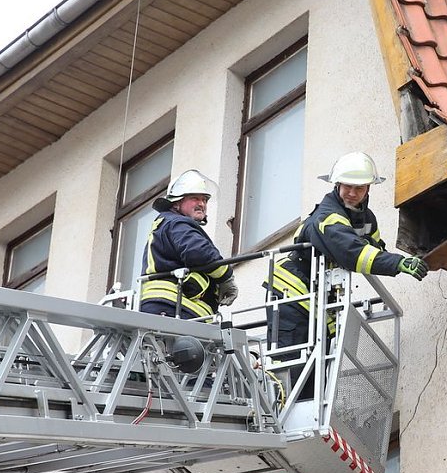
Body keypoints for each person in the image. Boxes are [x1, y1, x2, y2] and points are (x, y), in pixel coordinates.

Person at [265, 152, 428, 398]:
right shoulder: (327, 217)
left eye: (359, 188)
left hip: (318, 301)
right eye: (347, 187)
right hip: (294, 296)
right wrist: (398, 264)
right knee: (293, 370)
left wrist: (404, 258)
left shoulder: (366, 219)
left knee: (317, 377)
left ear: (368, 189)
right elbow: (353, 254)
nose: (352, 193)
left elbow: (375, 251)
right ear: (337, 185)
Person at [139, 169, 238, 319]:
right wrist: (226, 278)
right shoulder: (176, 222)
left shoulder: (168, 224)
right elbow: (199, 252)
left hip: (171, 309)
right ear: (176, 203)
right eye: (194, 198)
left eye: (204, 200)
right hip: (175, 308)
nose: (201, 204)